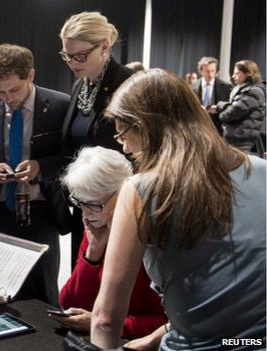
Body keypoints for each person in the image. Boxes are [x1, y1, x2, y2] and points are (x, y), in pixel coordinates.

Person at [90, 69, 266, 350]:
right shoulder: (262, 170)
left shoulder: (140, 190)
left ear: (145, 126)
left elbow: (106, 320)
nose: (123, 146)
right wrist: (159, 333)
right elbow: (227, 289)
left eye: (123, 133)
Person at [0, 44, 71, 306]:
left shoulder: (59, 104)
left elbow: (72, 157)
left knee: (43, 289)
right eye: (1, 91)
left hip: (41, 209)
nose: (7, 98)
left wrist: (40, 167)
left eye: (14, 90)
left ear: (30, 76)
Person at [53, 146, 166, 340]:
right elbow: (69, 302)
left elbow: (167, 322)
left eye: (95, 204)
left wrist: (103, 322)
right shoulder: (98, 228)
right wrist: (94, 251)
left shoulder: (152, 236)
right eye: (80, 203)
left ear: (124, 192)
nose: (86, 215)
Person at [58, 11, 134, 268]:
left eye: (80, 56)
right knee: (83, 275)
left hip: (116, 205)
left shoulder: (128, 84)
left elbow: (138, 152)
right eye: (67, 55)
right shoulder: (80, 87)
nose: (71, 62)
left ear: (104, 47)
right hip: (85, 204)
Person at [216, 59, 266, 154]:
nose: (233, 76)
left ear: (248, 73)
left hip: (243, 140)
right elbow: (235, 106)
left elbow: (235, 111)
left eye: (237, 73)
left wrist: (220, 111)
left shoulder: (255, 91)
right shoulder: (243, 89)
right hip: (237, 138)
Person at [193, 56, 233, 134]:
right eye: (207, 71)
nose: (210, 74)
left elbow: (230, 107)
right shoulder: (191, 88)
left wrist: (218, 109)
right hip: (198, 127)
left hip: (218, 128)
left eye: (213, 71)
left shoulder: (227, 87)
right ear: (200, 71)